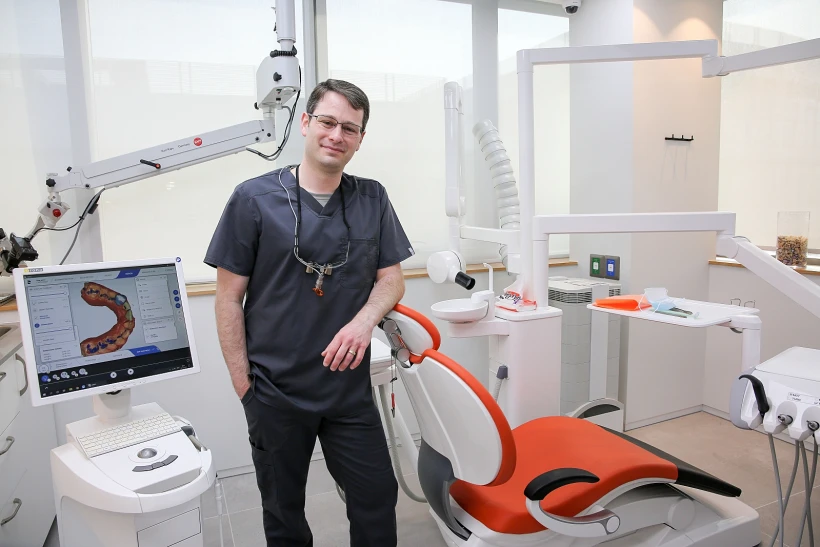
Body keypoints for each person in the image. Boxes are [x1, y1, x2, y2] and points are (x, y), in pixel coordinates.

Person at [204, 79, 413, 547]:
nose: (337, 135)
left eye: (350, 128)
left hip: (347, 390)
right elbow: (227, 299)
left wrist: (363, 322)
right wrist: (245, 388)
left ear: (360, 139)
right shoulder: (253, 199)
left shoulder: (372, 198)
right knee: (284, 513)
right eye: (328, 122)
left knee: (377, 496)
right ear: (305, 123)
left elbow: (392, 279)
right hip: (275, 391)